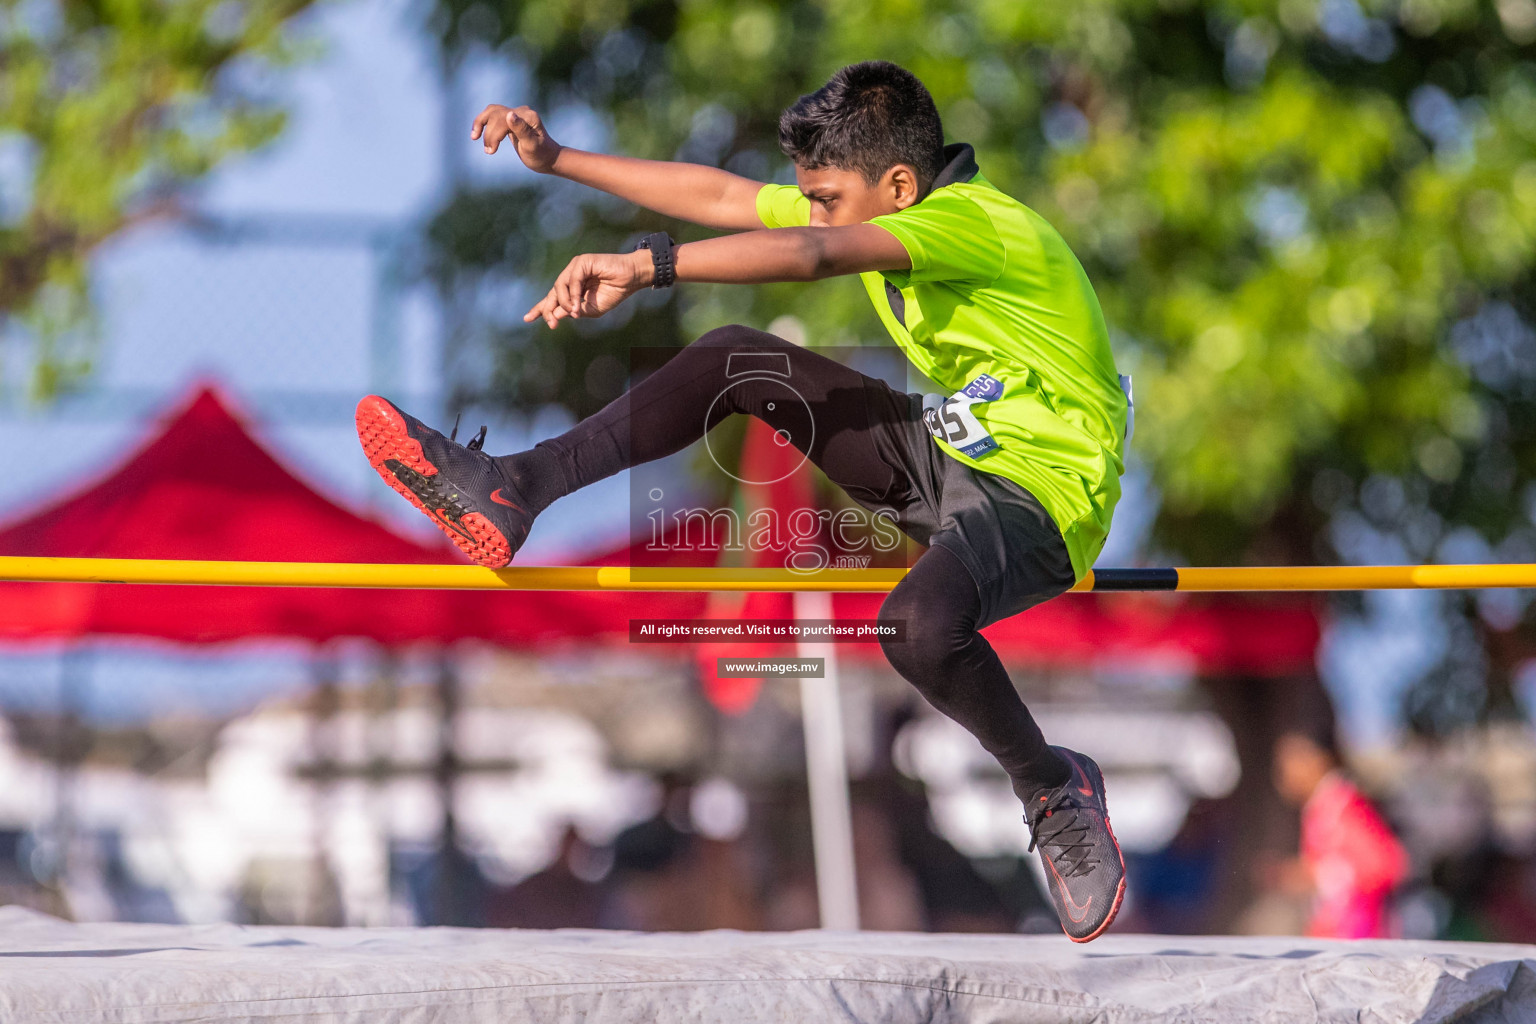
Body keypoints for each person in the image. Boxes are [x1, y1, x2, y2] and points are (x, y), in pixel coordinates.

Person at [355, 61, 1129, 941]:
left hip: (1045, 493)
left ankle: (1051, 787)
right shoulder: (878, 203)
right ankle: (516, 489)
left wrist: (648, 265)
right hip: (950, 450)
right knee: (737, 358)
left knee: (915, 627)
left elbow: (812, 253)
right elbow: (722, 195)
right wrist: (559, 158)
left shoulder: (976, 224)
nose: (812, 210)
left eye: (827, 196)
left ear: (900, 187)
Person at [1271, 721, 1408, 939]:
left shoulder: (1346, 807)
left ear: (1321, 759)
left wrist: (1317, 876)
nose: (1285, 772)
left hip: (1357, 941)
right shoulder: (1323, 808)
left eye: (1293, 759)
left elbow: (1388, 864)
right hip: (1335, 938)